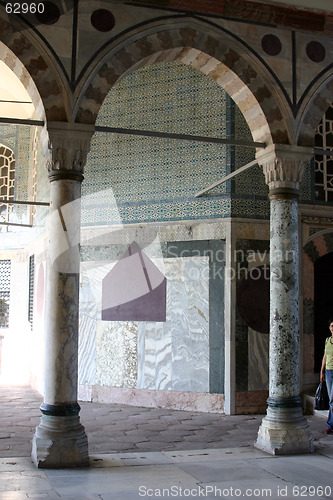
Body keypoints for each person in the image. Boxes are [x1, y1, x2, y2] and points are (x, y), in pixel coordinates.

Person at [320, 318, 333, 434]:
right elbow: (325, 356)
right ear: (329, 328)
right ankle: (330, 424)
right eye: (332, 326)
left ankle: (330, 424)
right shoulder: (328, 340)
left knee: (332, 398)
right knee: (331, 398)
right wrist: (322, 371)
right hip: (329, 371)